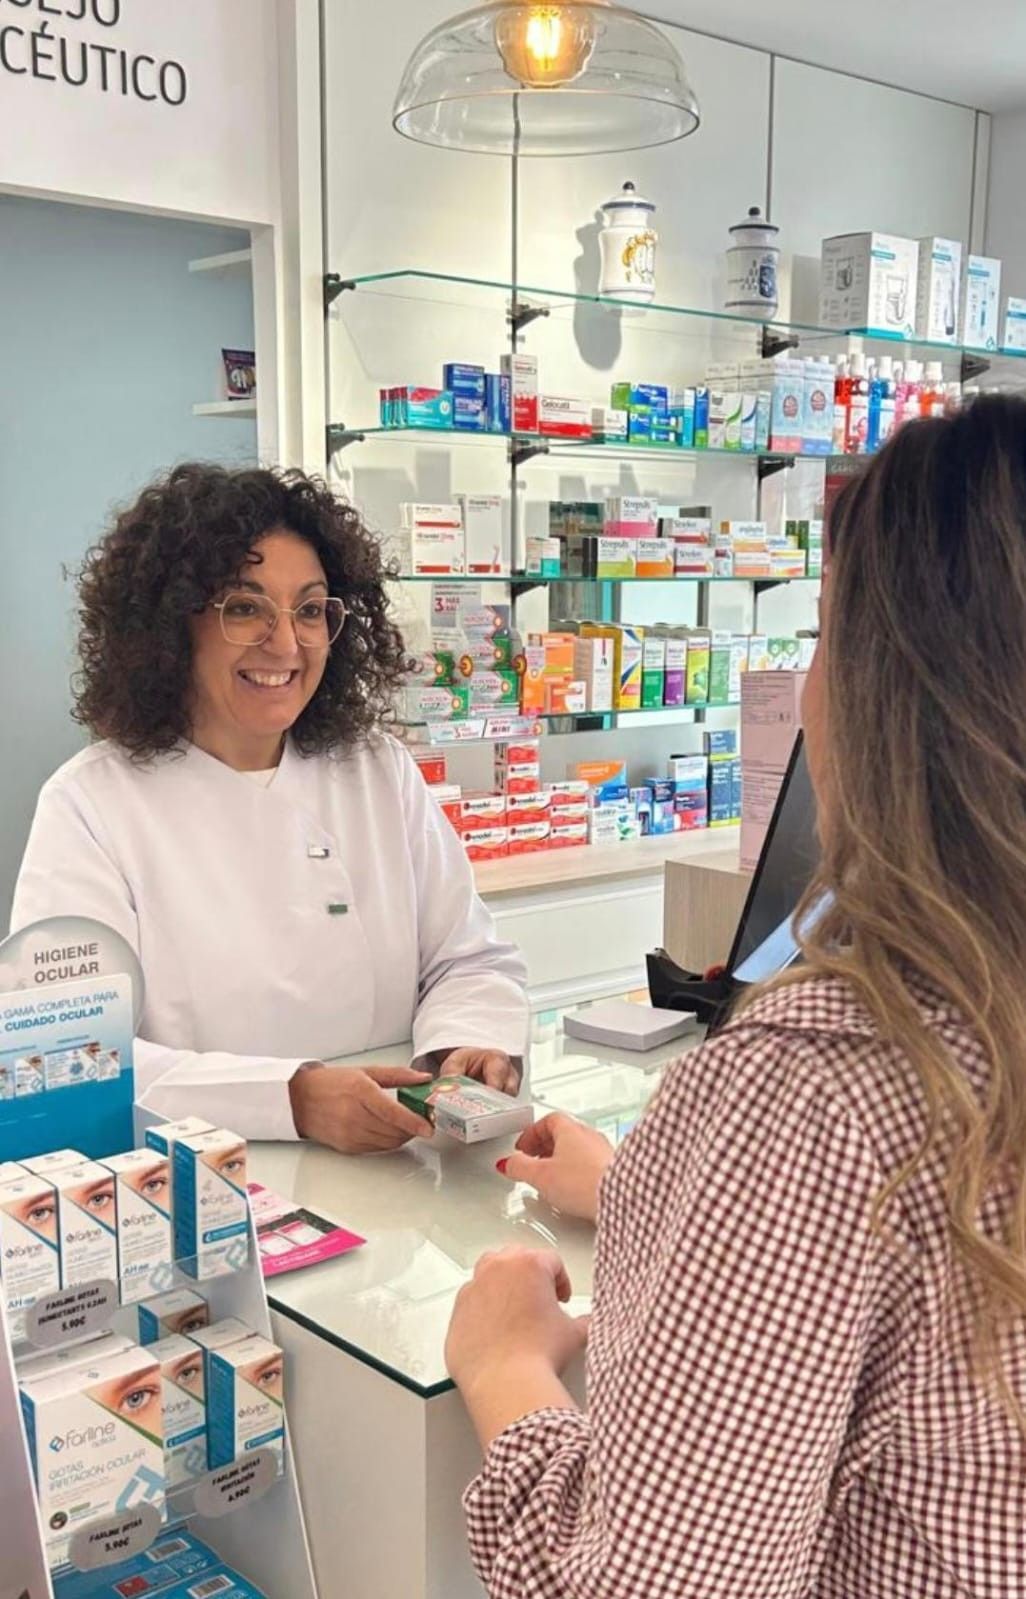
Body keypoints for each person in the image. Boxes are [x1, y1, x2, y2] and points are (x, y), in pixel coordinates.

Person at [445, 394, 1026, 1596]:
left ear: (892, 688)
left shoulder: (814, 1090)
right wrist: (658, 1188)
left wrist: (503, 1365)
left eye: (822, 635)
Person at [12, 464, 529, 1152]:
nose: (286, 644)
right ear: (172, 625)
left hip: (404, 1178)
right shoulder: (90, 804)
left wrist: (469, 1041)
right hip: (203, 1189)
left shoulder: (376, 770)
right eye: (245, 607)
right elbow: (68, 1056)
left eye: (310, 609)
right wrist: (288, 1098)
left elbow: (470, 961)